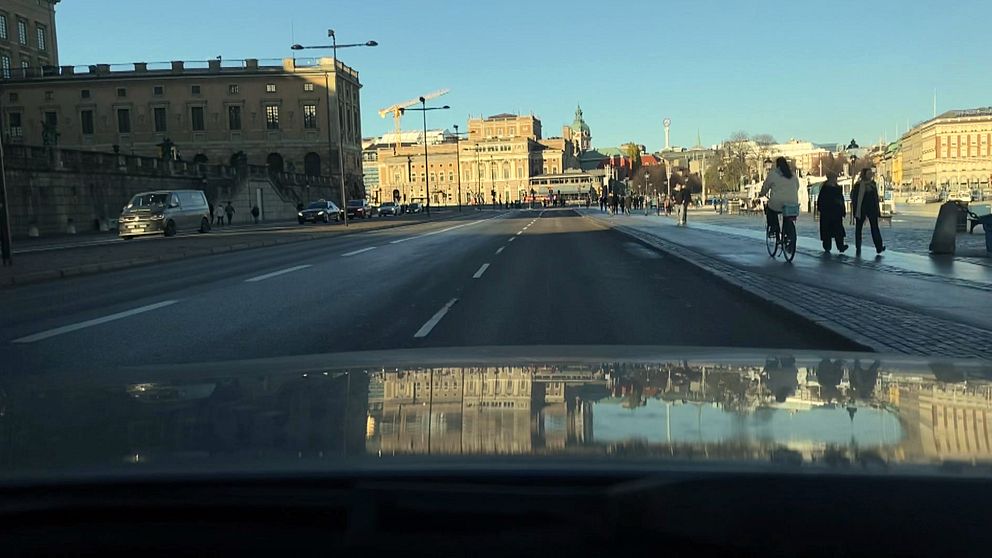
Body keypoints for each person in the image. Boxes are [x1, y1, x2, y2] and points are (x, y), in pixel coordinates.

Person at [759, 156, 800, 240]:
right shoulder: (793, 175)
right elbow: (797, 186)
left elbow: (765, 187)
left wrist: (761, 194)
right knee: (787, 215)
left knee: (770, 209)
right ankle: (788, 234)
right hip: (792, 202)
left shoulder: (773, 174)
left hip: (777, 202)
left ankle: (774, 228)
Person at [850, 167, 886, 256]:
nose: (870, 175)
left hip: (872, 209)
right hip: (861, 209)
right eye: (869, 173)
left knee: (875, 228)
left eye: (871, 173)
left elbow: (875, 199)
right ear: (864, 174)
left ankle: (879, 247)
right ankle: (858, 246)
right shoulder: (858, 185)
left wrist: (878, 210)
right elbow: (853, 196)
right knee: (859, 228)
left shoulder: (873, 184)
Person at [816, 172, 848, 253]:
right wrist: (821, 209)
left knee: (838, 231)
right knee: (827, 231)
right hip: (827, 213)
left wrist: (843, 210)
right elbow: (821, 200)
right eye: (834, 178)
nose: (835, 180)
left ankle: (840, 246)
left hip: (836, 213)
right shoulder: (825, 188)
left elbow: (841, 200)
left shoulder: (837, 188)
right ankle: (827, 246)